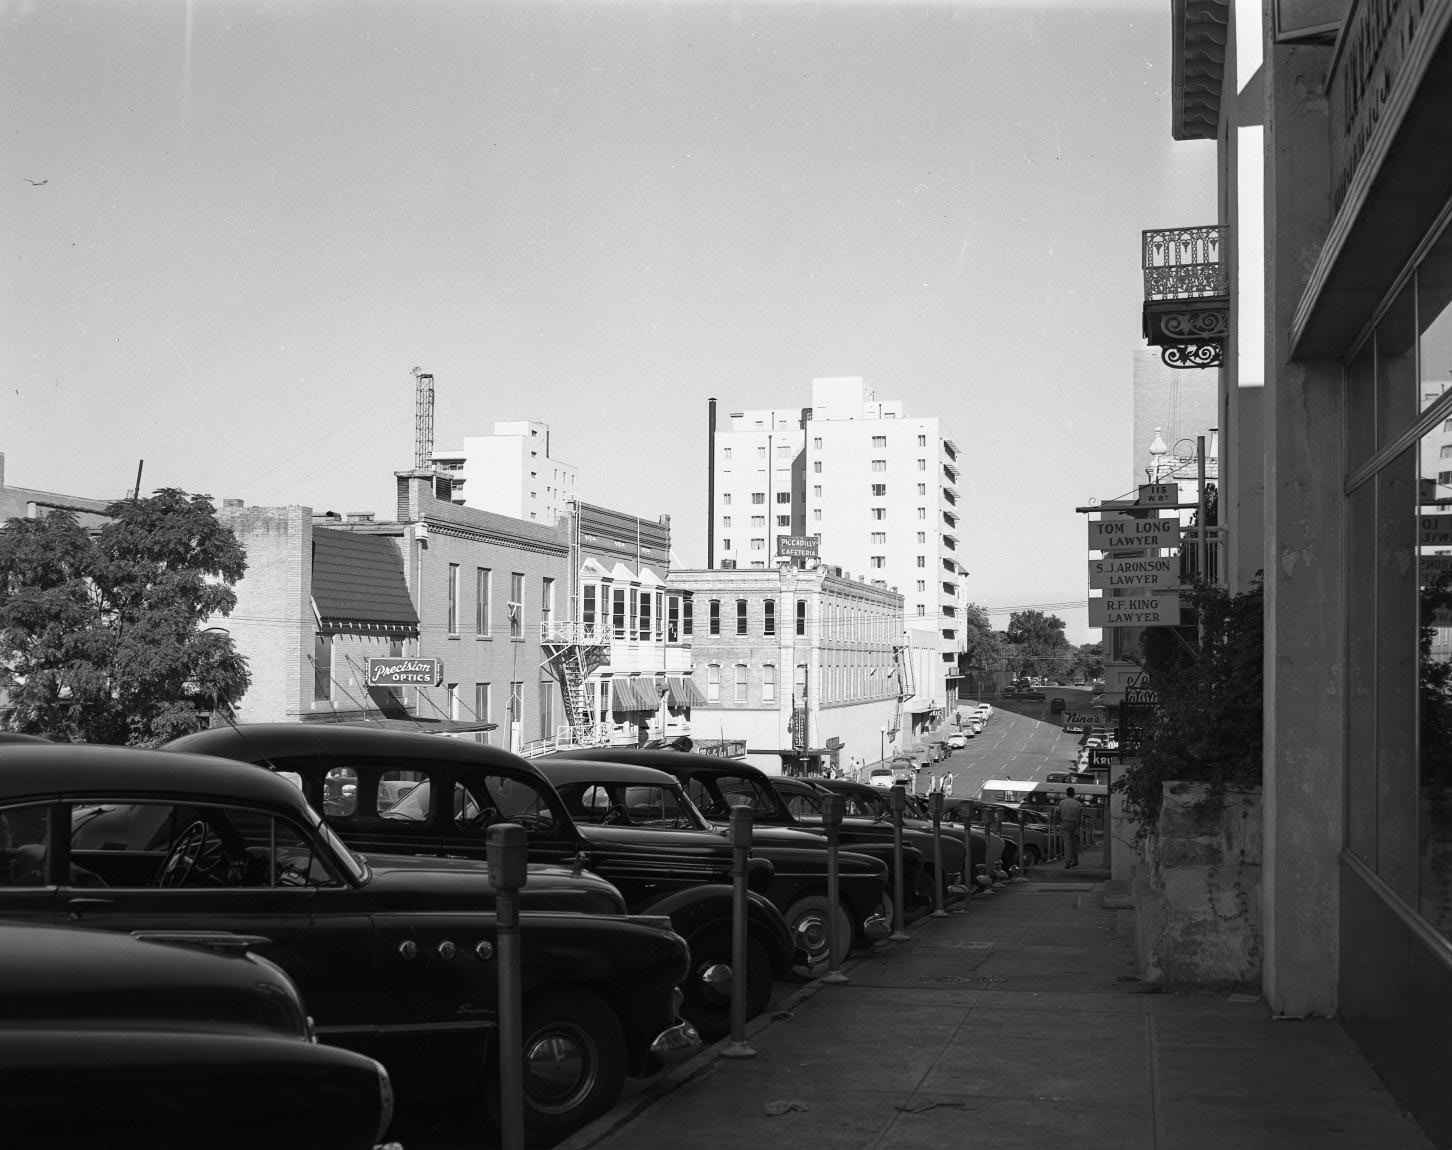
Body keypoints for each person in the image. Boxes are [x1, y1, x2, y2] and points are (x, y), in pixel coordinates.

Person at [1057, 786, 1084, 869]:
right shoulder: (1078, 804)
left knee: (1067, 844)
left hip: (1064, 823)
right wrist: (1078, 827)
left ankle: (1068, 862)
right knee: (1074, 844)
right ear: (1074, 794)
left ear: (1067, 794)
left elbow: (1057, 812)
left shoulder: (1062, 802)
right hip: (1074, 824)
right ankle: (1075, 861)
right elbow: (1080, 817)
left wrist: (1059, 821)